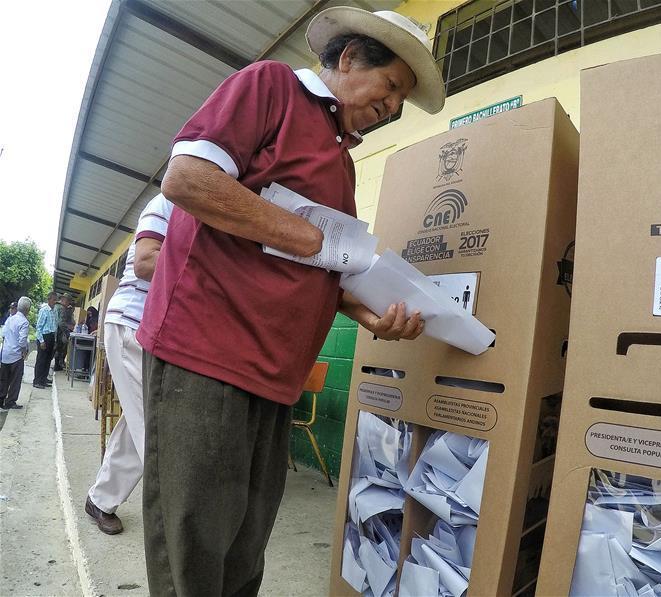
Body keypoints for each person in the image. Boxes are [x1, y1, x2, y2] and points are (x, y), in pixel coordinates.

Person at [138, 7, 444, 595]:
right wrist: (311, 236)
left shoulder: (342, 163)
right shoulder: (271, 86)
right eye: (393, 86)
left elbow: (327, 269)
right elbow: (187, 181)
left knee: (247, 542)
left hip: (277, 373)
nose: (395, 107)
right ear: (351, 58)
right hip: (208, 352)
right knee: (196, 539)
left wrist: (371, 313)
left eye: (401, 99)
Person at [85, 194, 172, 535]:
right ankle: (174, 525)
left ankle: (100, 499)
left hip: (153, 332)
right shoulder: (166, 203)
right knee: (157, 432)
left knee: (139, 422)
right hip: (131, 325)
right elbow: (145, 264)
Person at [0, 297, 31, 409]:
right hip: (16, 356)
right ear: (28, 309)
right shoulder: (24, 322)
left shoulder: (10, 319)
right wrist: (24, 352)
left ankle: (1, 399)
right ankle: (10, 401)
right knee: (15, 380)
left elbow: (3, 334)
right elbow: (22, 341)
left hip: (5, 353)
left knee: (3, 379)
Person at [33, 291, 58, 388]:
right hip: (44, 336)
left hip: (51, 336)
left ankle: (43, 379)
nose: (55, 301)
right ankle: (37, 381)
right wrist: (41, 341)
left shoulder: (54, 310)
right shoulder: (44, 310)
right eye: (53, 299)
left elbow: (55, 326)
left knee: (48, 359)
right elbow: (39, 327)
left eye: (56, 300)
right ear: (49, 299)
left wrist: (55, 340)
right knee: (41, 360)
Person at [53, 293, 75, 372]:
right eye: (68, 301)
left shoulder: (56, 306)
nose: (69, 303)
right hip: (59, 332)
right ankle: (57, 366)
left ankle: (57, 365)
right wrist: (67, 332)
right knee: (59, 349)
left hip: (53, 330)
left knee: (56, 349)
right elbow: (61, 322)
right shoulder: (62, 308)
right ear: (65, 300)